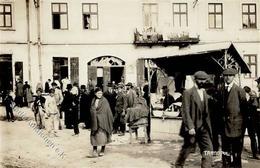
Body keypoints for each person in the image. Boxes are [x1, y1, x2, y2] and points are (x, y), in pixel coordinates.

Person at [175, 71, 213, 168]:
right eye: (200, 80)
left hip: (204, 127)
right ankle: (179, 164)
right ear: (195, 80)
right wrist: (190, 127)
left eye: (204, 80)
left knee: (208, 149)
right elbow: (185, 111)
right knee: (187, 148)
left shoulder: (204, 92)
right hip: (193, 128)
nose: (203, 82)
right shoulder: (188, 93)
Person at [217, 68, 246, 168]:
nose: (228, 78)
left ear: (233, 77)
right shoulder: (220, 90)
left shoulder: (239, 91)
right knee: (225, 153)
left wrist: (242, 129)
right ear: (223, 77)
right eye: (226, 75)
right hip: (224, 128)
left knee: (236, 153)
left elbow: (244, 111)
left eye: (230, 75)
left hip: (236, 128)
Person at [90, 87, 113, 157]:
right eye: (98, 93)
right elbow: (91, 109)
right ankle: (94, 149)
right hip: (95, 121)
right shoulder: (93, 100)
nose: (100, 94)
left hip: (103, 121)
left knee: (103, 136)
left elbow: (107, 111)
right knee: (94, 136)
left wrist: (99, 116)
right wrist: (94, 112)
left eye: (101, 93)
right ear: (95, 93)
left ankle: (102, 149)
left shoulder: (104, 100)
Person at [243, 86, 259, 159]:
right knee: (254, 138)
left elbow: (254, 106)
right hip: (253, 120)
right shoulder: (253, 96)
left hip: (252, 121)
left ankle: (255, 154)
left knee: (253, 137)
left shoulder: (252, 97)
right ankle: (255, 153)